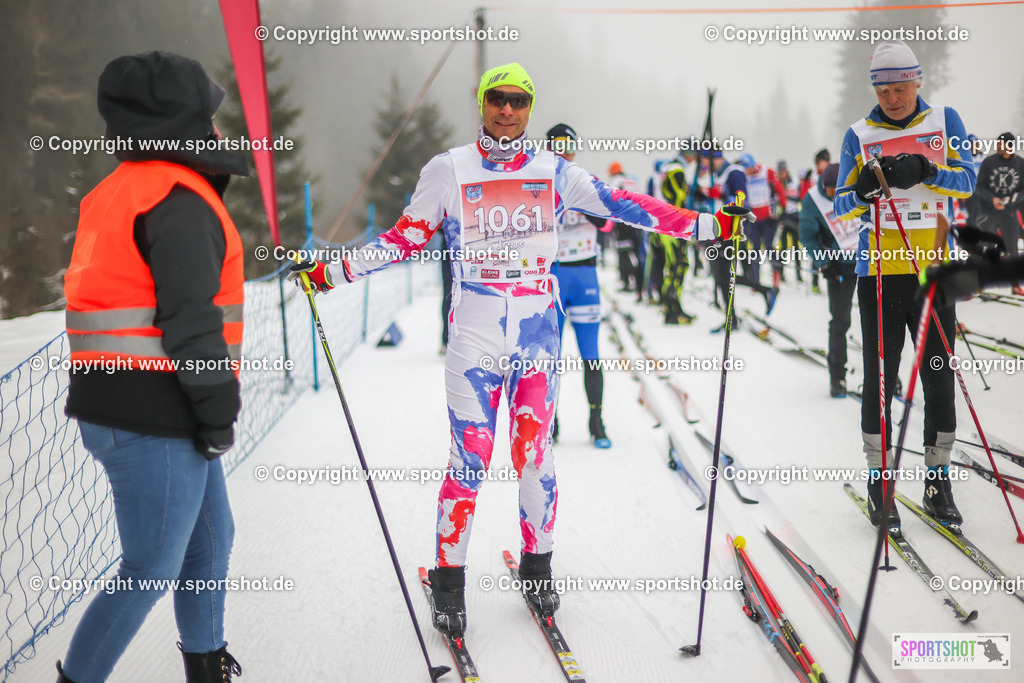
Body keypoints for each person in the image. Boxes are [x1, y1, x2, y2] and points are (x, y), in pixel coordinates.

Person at [289, 62, 750, 634]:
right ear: (482, 103)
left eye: (518, 101)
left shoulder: (554, 171)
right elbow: (402, 238)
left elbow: (627, 206)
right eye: (497, 99)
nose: (507, 109)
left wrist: (710, 228)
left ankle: (539, 571)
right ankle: (450, 583)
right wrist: (332, 272)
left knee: (534, 456)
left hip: (536, 337)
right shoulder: (448, 170)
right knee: (470, 460)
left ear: (529, 108)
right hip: (475, 338)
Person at [59, 51, 248, 683]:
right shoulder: (177, 198)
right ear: (180, 120)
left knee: (211, 534)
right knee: (149, 568)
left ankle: (205, 660)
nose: (219, 126)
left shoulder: (115, 191)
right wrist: (220, 410)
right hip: (155, 413)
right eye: (208, 113)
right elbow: (191, 321)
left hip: (137, 405)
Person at [834, 39, 976, 530]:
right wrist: (860, 191)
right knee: (879, 378)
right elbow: (840, 208)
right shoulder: (859, 134)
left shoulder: (946, 122)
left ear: (918, 81)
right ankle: (880, 483)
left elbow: (968, 182)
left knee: (938, 378)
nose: (893, 97)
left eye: (901, 86)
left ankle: (937, 482)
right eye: (884, 89)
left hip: (932, 270)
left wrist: (927, 169)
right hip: (878, 273)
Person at [545, 123, 612, 448]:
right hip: (552, 279)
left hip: (584, 276)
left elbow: (608, 222)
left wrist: (581, 199)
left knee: (591, 355)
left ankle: (596, 422)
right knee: (550, 359)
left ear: (574, 149)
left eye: (566, 146)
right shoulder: (538, 184)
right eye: (555, 147)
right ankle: (551, 423)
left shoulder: (589, 182)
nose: (562, 152)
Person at [798, 163, 859, 398]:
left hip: (866, 262)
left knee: (877, 321)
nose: (834, 193)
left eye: (838, 188)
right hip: (839, 266)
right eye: (829, 189)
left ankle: (886, 376)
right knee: (840, 321)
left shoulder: (854, 186)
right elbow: (807, 236)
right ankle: (837, 377)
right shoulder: (813, 200)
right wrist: (823, 263)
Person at [708, 151, 778, 331]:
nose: (706, 165)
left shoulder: (734, 172)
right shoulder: (721, 174)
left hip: (731, 230)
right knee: (721, 275)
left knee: (724, 274)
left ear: (717, 158)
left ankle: (735, 314)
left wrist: (722, 197)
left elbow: (742, 201)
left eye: (707, 160)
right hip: (720, 230)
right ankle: (733, 314)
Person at [975, 132, 1024, 294]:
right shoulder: (989, 162)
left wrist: (1014, 198)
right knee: (986, 247)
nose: (997, 146)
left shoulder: (1020, 163)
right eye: (997, 143)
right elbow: (979, 187)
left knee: (1013, 249)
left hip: (1009, 212)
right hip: (989, 211)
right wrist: (992, 199)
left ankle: (1015, 284)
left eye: (1001, 144)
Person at [657, 153, 697, 323]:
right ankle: (671, 311)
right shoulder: (677, 170)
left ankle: (673, 307)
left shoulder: (668, 167)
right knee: (678, 266)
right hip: (673, 226)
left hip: (665, 225)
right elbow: (678, 199)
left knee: (675, 266)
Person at [737, 153, 787, 289]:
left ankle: (776, 277)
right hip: (754, 219)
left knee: (770, 248)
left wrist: (782, 207)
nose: (747, 171)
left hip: (768, 218)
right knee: (755, 250)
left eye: (748, 167)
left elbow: (779, 190)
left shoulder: (767, 171)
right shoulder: (744, 176)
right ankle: (756, 282)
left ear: (753, 164)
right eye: (745, 168)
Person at [608, 161, 645, 293]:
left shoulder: (616, 181)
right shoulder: (631, 181)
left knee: (623, 253)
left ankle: (627, 282)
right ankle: (639, 284)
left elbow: (611, 201)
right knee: (636, 253)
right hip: (637, 222)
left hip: (622, 223)